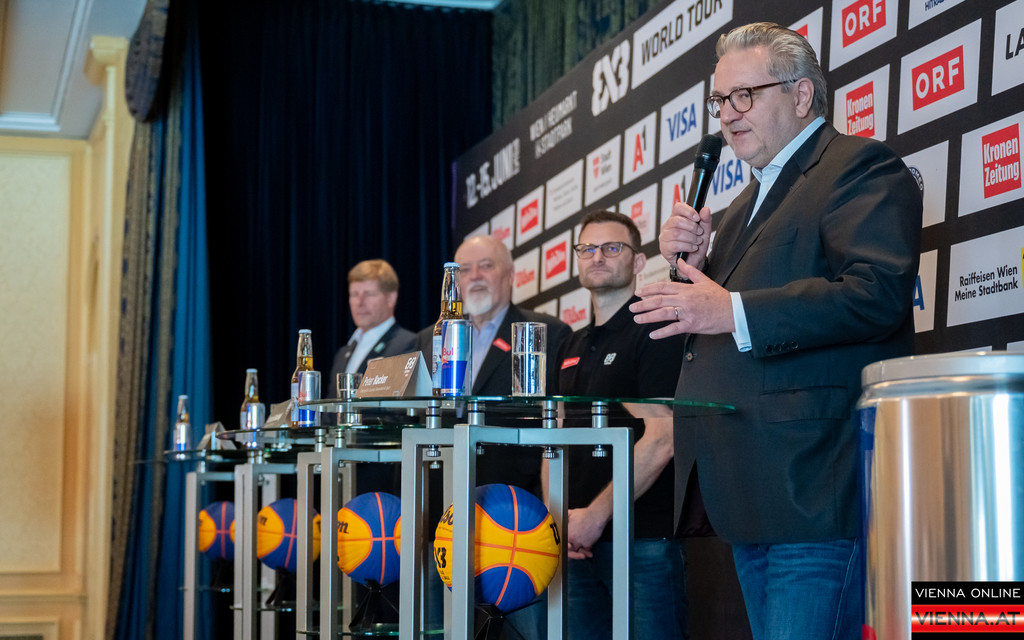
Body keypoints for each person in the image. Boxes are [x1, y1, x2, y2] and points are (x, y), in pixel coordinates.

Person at [631, 23, 922, 640]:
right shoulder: (741, 207)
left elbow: (876, 294)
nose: (727, 115)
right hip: (751, 491)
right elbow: (717, 317)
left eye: (745, 95)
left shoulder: (858, 166)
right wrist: (697, 267)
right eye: (720, 100)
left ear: (801, 95)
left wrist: (730, 310)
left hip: (816, 487)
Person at [551, 211, 687, 640]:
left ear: (639, 261)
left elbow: (663, 438)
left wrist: (595, 516)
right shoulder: (570, 344)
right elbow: (552, 441)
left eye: (612, 248)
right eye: (587, 249)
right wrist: (559, 522)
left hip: (640, 540)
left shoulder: (654, 327)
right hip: (573, 543)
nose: (598, 257)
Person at [416, 234, 572, 495]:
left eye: (486, 266)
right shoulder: (430, 338)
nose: (475, 276)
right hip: (439, 488)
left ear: (510, 275)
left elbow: (558, 423)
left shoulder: (548, 332)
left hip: (513, 495)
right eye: (465, 270)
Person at [329, 259, 417, 380]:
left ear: (391, 298)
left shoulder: (407, 345)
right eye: (354, 294)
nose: (360, 302)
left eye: (369, 294)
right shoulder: (342, 354)